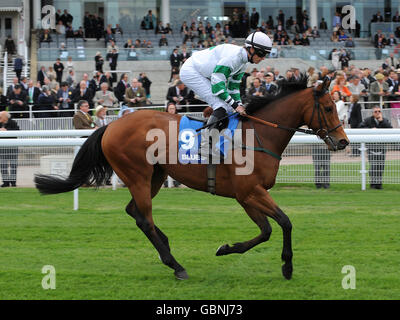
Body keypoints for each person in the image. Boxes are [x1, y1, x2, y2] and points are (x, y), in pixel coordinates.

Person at [179, 31, 271, 156]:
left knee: (229, 107)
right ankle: (206, 145)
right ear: (252, 49)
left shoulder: (243, 63)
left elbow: (233, 88)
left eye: (266, 54)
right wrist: (235, 106)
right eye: (262, 54)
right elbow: (217, 87)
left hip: (203, 73)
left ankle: (221, 142)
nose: (263, 58)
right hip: (191, 71)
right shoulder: (233, 58)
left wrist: (239, 104)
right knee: (220, 105)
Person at [359, 106, 393, 189]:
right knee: (374, 165)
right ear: (372, 113)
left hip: (381, 146)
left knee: (380, 165)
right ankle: (373, 184)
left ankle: (379, 184)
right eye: (376, 111)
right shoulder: (368, 120)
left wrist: (382, 121)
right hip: (372, 146)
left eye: (379, 111)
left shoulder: (385, 120)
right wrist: (371, 129)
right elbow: (360, 127)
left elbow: (390, 129)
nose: (377, 113)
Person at [0, 111, 19, 187]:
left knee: (13, 165)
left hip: (12, 146)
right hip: (2, 147)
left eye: (1, 116)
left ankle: (13, 182)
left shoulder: (13, 122)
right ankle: (5, 182)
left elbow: (17, 132)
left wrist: (7, 131)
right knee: (3, 165)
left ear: (5, 117)